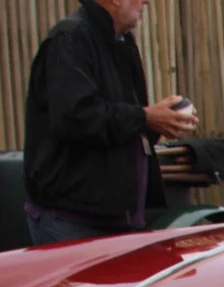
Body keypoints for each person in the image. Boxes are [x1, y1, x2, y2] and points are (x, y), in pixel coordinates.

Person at [22, 0, 197, 245]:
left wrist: (163, 121)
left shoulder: (123, 43)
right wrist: (146, 117)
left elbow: (124, 122)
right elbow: (76, 117)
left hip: (119, 219)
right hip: (74, 222)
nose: (147, 2)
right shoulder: (69, 40)